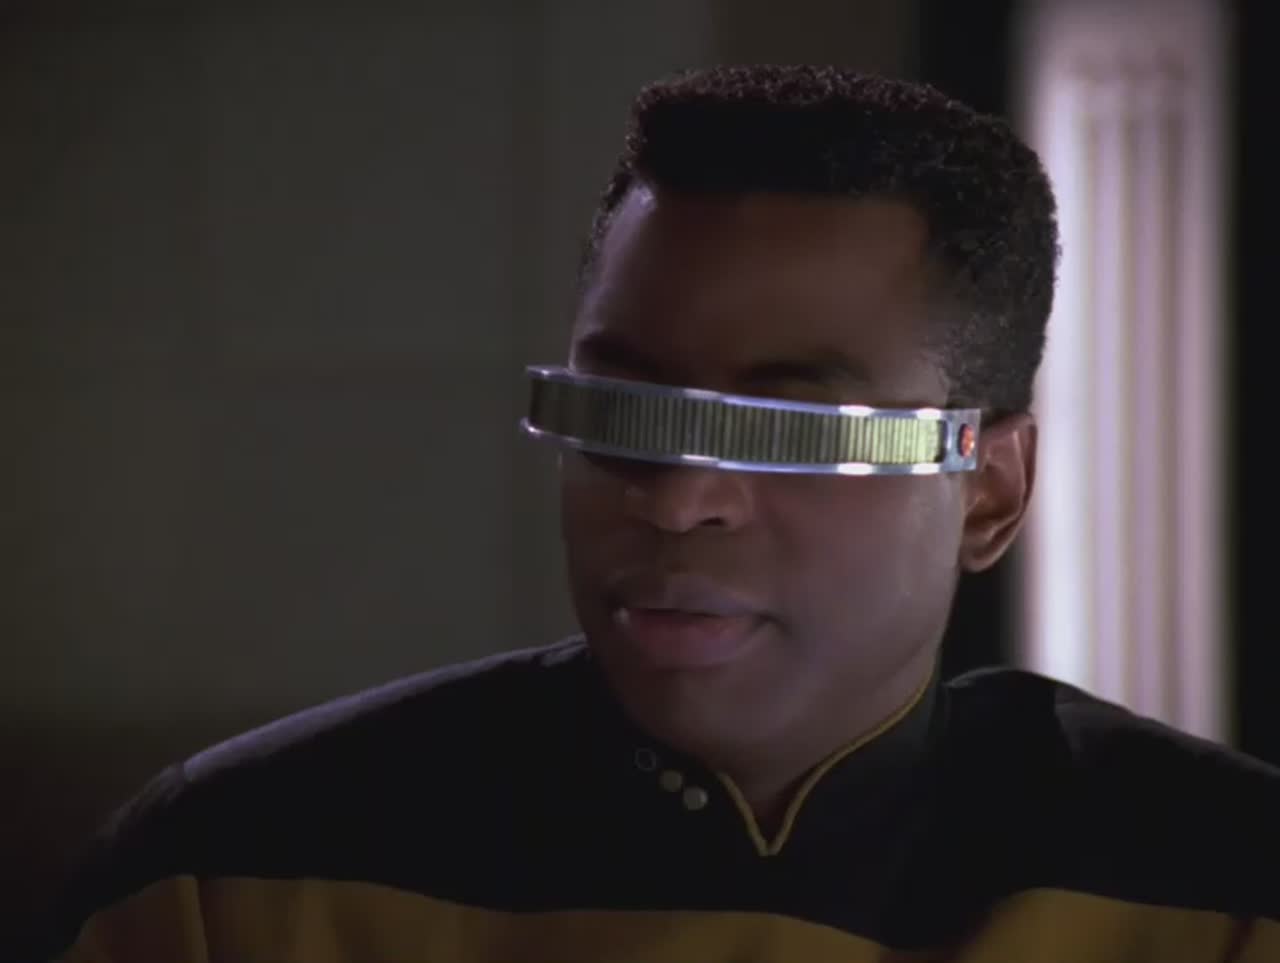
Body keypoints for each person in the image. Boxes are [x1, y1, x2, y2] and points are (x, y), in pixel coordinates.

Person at [36, 64, 1279, 962]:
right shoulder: (233, 886)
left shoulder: (1219, 897)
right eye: (622, 411)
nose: (677, 500)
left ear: (989, 491)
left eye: (789, 432)